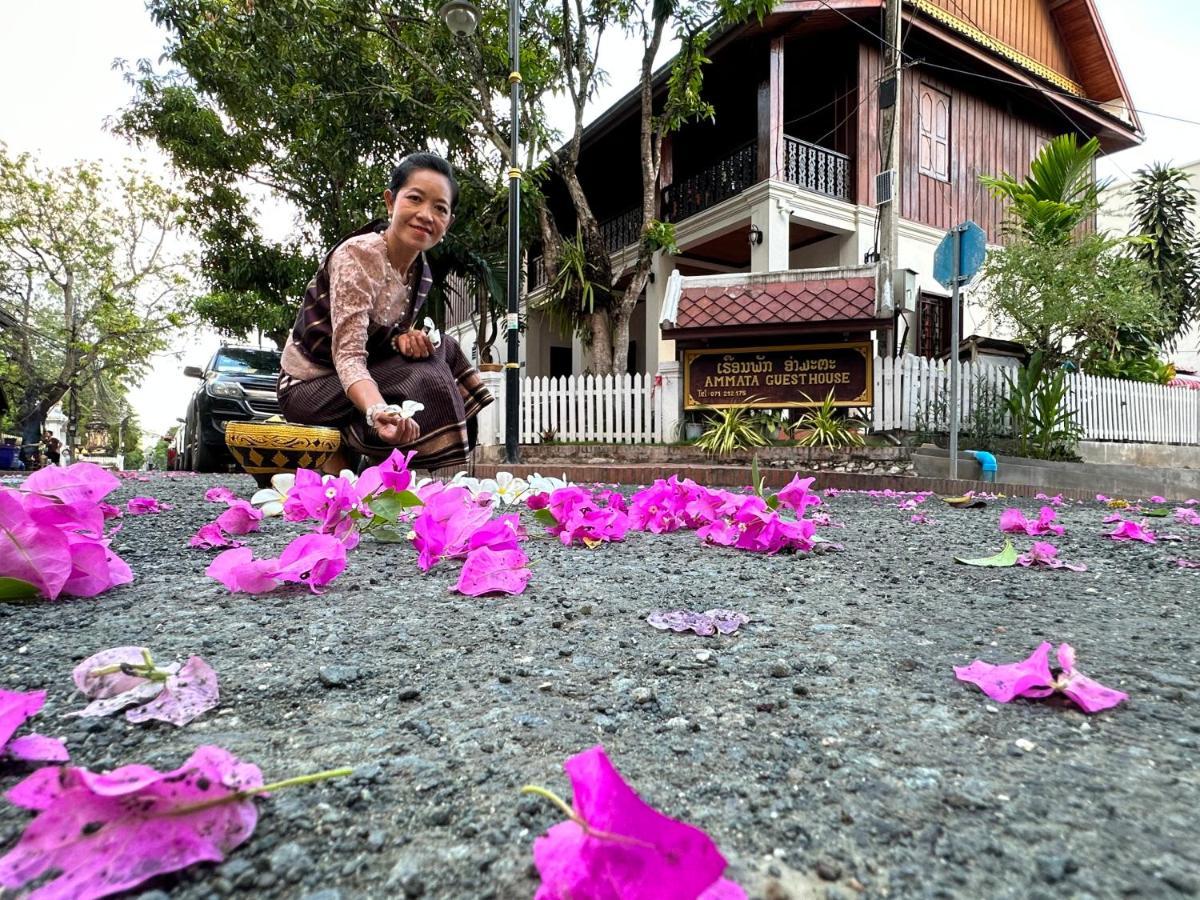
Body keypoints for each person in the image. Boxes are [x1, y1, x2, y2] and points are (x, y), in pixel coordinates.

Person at [277, 153, 492, 475]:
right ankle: (380, 454)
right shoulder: (358, 256)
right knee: (425, 374)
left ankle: (405, 462)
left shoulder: (422, 271)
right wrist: (378, 409)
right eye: (415, 199)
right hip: (310, 389)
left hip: (354, 384)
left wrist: (404, 340)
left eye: (440, 208)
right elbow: (349, 354)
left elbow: (385, 335)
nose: (426, 215)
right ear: (391, 203)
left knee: (443, 348)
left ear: (449, 223)